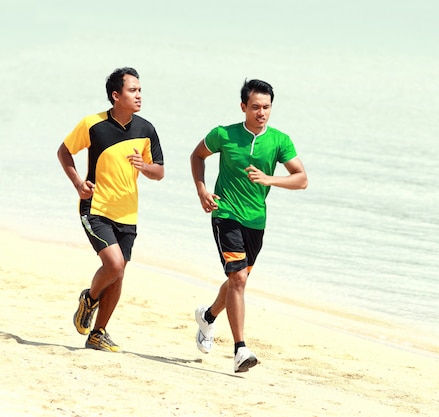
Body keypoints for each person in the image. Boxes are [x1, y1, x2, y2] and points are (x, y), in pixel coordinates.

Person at [190, 79, 308, 372]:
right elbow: (197, 156)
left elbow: (301, 179)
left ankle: (208, 316)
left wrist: (271, 179)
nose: (261, 112)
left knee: (236, 280)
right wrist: (202, 190)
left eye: (266, 107)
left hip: (256, 220)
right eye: (255, 107)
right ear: (243, 106)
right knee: (239, 279)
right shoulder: (224, 134)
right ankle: (240, 349)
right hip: (226, 213)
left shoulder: (280, 141)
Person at [57, 67, 165, 352]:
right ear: (116, 96)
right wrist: (78, 182)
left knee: (119, 274)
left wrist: (145, 167)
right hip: (96, 207)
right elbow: (64, 151)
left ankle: (98, 333)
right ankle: (89, 299)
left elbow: (159, 172)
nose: (139, 95)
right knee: (114, 264)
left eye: (140, 90)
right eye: (133, 90)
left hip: (128, 212)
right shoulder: (93, 124)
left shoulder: (146, 129)